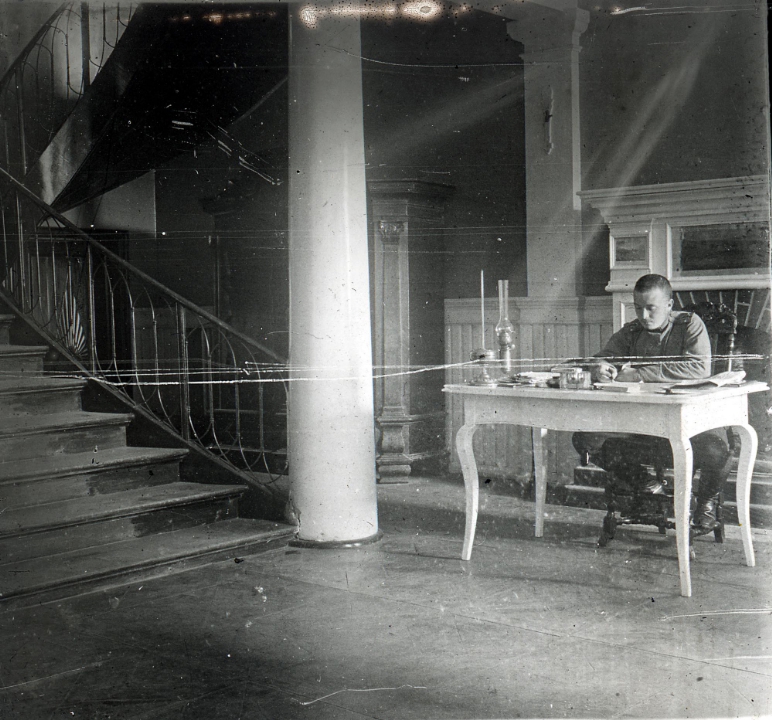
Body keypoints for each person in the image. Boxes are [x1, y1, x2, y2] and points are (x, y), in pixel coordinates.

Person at [572, 273, 732, 533]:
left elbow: (698, 368)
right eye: (638, 308)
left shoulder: (689, 324)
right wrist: (599, 366)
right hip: (644, 426)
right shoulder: (633, 330)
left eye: (651, 308)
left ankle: (705, 504)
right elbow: (603, 357)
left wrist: (640, 374)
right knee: (585, 439)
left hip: (690, 424)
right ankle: (646, 484)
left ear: (669, 305)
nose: (643, 316)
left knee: (718, 450)